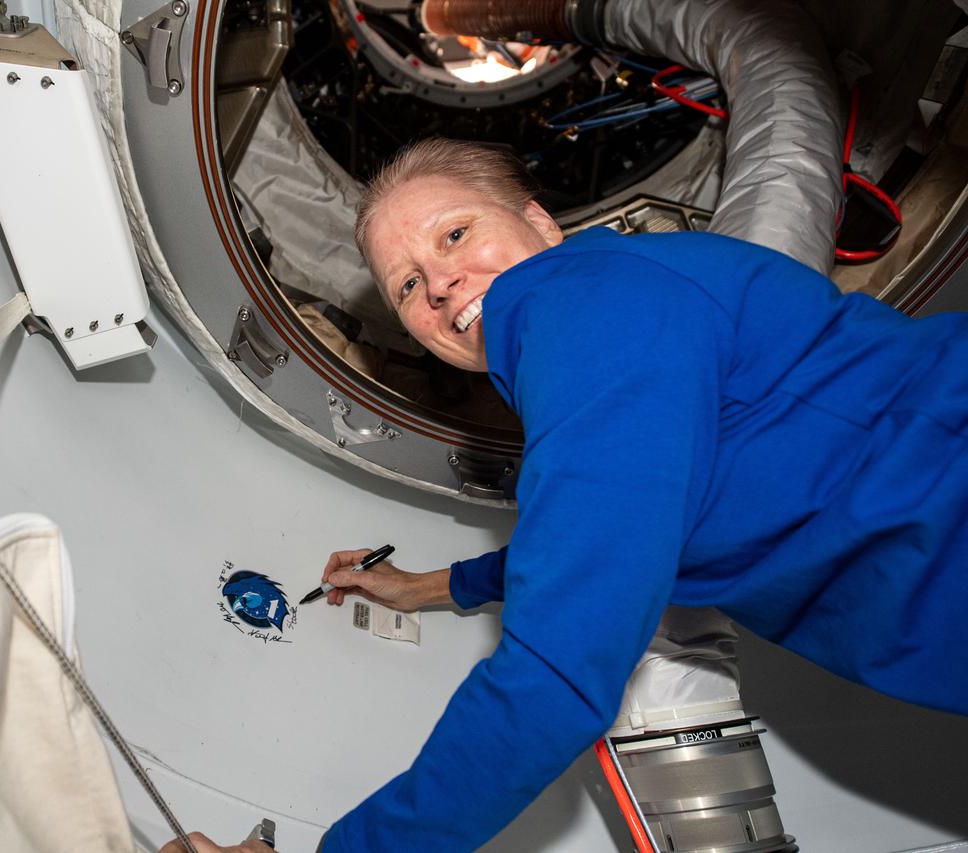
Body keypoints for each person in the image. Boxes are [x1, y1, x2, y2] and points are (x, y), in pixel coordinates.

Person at [307, 137, 968, 851]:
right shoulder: (605, 317)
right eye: (406, 284)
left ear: (541, 222)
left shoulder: (579, 306)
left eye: (457, 233)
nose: (438, 284)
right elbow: (604, 543)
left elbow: (554, 674)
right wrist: (431, 587)